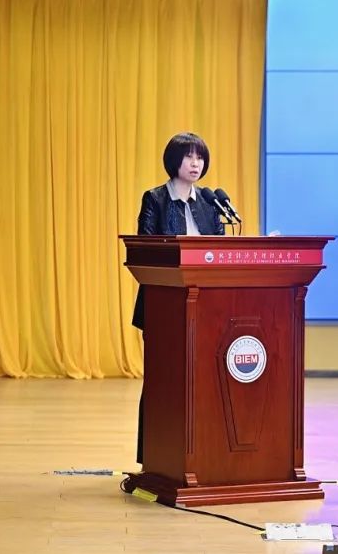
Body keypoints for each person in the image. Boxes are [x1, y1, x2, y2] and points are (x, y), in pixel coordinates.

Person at [132, 132, 226, 463]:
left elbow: (221, 252)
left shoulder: (210, 203)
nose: (195, 163)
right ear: (174, 161)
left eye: (200, 157)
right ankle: (156, 454)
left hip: (207, 308)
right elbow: (145, 250)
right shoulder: (155, 199)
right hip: (165, 306)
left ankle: (204, 453)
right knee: (163, 380)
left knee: (206, 381)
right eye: (189, 157)